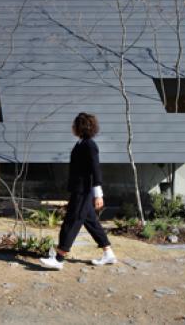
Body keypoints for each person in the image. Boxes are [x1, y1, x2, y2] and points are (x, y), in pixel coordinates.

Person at [40, 112, 116, 269]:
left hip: (83, 191)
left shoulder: (89, 145)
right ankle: (108, 253)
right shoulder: (81, 143)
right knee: (91, 222)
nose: (72, 127)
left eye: (74, 124)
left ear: (80, 127)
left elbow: (95, 170)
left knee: (72, 221)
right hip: (79, 190)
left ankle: (59, 258)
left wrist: (98, 195)